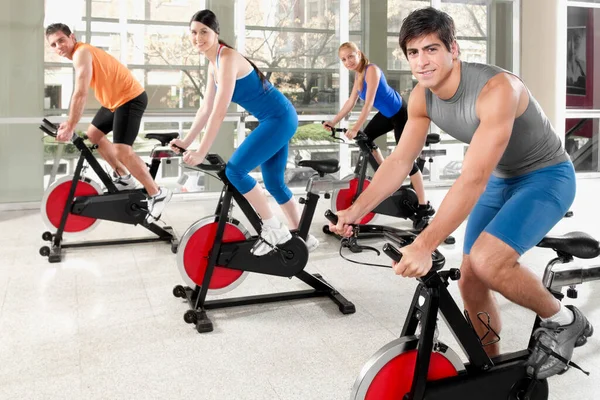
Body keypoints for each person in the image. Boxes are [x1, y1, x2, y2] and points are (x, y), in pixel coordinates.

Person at [330, 7, 591, 380]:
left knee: (487, 260)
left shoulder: (498, 89)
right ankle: (490, 370)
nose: (422, 61)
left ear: (454, 49)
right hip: (502, 178)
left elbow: (472, 179)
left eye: (432, 49)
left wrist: (424, 244)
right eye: (414, 53)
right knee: (470, 279)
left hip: (545, 176)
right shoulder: (421, 97)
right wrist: (356, 210)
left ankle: (565, 320)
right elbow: (401, 160)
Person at [169, 10, 317, 256]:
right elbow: (205, 108)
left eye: (204, 32)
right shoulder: (213, 63)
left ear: (216, 33)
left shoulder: (227, 58)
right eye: (194, 33)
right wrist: (187, 141)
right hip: (276, 118)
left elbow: (219, 111)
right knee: (274, 183)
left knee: (235, 170)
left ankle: (273, 228)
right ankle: (304, 237)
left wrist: (201, 151)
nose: (198, 38)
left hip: (279, 118)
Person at [45, 23, 171, 222]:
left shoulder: (81, 52)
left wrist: (70, 125)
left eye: (61, 40)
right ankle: (124, 177)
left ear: (72, 37)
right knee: (94, 135)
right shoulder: (80, 54)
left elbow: (80, 93)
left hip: (129, 97)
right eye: (53, 44)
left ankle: (157, 193)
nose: (58, 46)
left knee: (122, 150)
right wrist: (70, 123)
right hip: (113, 102)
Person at [323, 42, 434, 217]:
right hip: (386, 114)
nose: (348, 61)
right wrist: (333, 121)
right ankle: (388, 178)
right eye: (344, 59)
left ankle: (424, 205)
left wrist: (355, 127)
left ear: (358, 53)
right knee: (365, 139)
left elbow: (368, 104)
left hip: (400, 113)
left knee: (407, 161)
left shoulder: (371, 70)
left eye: (350, 56)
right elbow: (350, 103)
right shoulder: (358, 76)